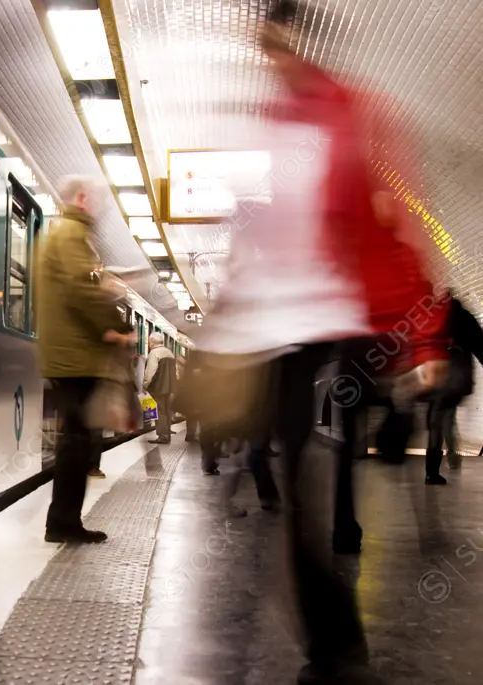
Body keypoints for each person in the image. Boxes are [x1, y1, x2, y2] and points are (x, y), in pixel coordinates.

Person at [191, 3, 450, 683]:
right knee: (297, 493)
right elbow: (250, 240)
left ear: (305, 42)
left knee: (312, 484)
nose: (273, 59)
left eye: (280, 44)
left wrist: (422, 342)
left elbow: (399, 231)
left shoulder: (360, 115)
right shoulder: (267, 129)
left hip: (334, 330)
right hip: (270, 338)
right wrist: (221, 324)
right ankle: (332, 649)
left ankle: (337, 653)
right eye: (265, 48)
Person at [32, 175, 134, 544]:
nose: (101, 207)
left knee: (74, 440)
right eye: (98, 200)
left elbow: (80, 285)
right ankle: (62, 524)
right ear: (81, 198)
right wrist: (113, 328)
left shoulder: (61, 235)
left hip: (68, 355)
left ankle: (63, 521)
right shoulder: (72, 235)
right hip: (75, 356)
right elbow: (81, 288)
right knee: (76, 443)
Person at [425, 293, 483, 481]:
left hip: (436, 377)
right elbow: (480, 345)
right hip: (456, 379)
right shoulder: (464, 318)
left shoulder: (434, 318)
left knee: (436, 422)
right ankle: (451, 457)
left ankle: (432, 471)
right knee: (447, 418)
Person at [141, 332, 175, 444]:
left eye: (149, 341)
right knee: (166, 411)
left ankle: (163, 437)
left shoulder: (154, 353)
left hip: (159, 388)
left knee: (159, 412)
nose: (149, 343)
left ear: (152, 342)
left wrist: (145, 385)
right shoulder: (170, 353)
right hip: (170, 388)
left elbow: (150, 371)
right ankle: (166, 435)